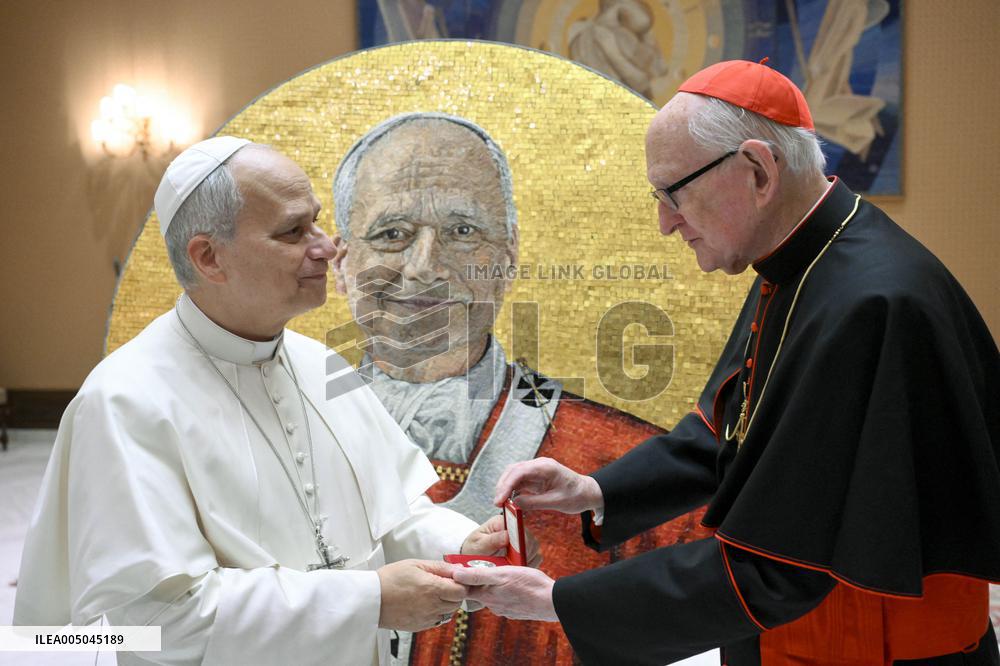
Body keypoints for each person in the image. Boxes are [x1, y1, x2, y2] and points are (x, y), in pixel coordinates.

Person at [452, 60, 1000, 664]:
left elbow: (778, 567)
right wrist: (591, 489)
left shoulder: (868, 304)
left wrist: (560, 602)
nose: (665, 223)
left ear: (759, 170)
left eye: (674, 193)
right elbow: (731, 432)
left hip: (868, 645)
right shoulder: (801, 262)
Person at [13, 137, 516, 665]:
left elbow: (392, 517)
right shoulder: (124, 402)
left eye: (316, 223)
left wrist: (463, 545)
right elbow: (158, 624)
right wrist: (368, 600)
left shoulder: (320, 365)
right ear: (209, 257)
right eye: (293, 232)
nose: (326, 247)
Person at [330, 112, 713, 664]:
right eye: (392, 234)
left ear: (508, 257)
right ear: (341, 263)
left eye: (463, 232)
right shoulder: (279, 434)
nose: (425, 266)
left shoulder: (619, 468)